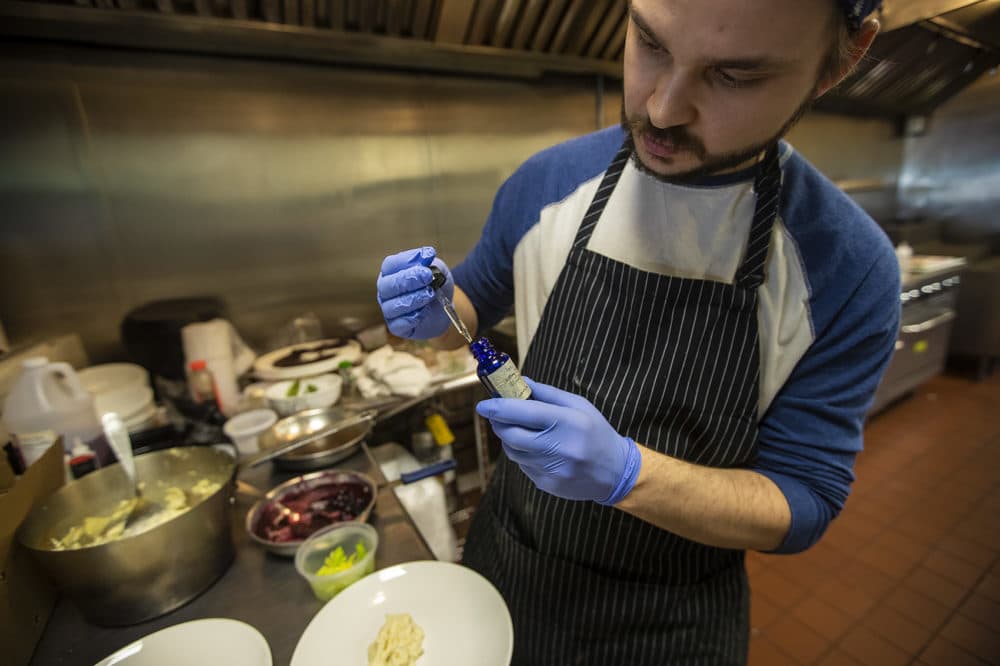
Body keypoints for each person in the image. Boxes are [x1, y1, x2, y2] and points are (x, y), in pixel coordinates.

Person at [376, 0, 899, 663]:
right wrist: (439, 313)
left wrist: (628, 474)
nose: (661, 108)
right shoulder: (547, 182)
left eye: (733, 76)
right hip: (507, 563)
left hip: (666, 621)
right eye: (650, 43)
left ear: (843, 58)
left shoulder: (845, 265)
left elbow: (803, 501)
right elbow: (473, 305)